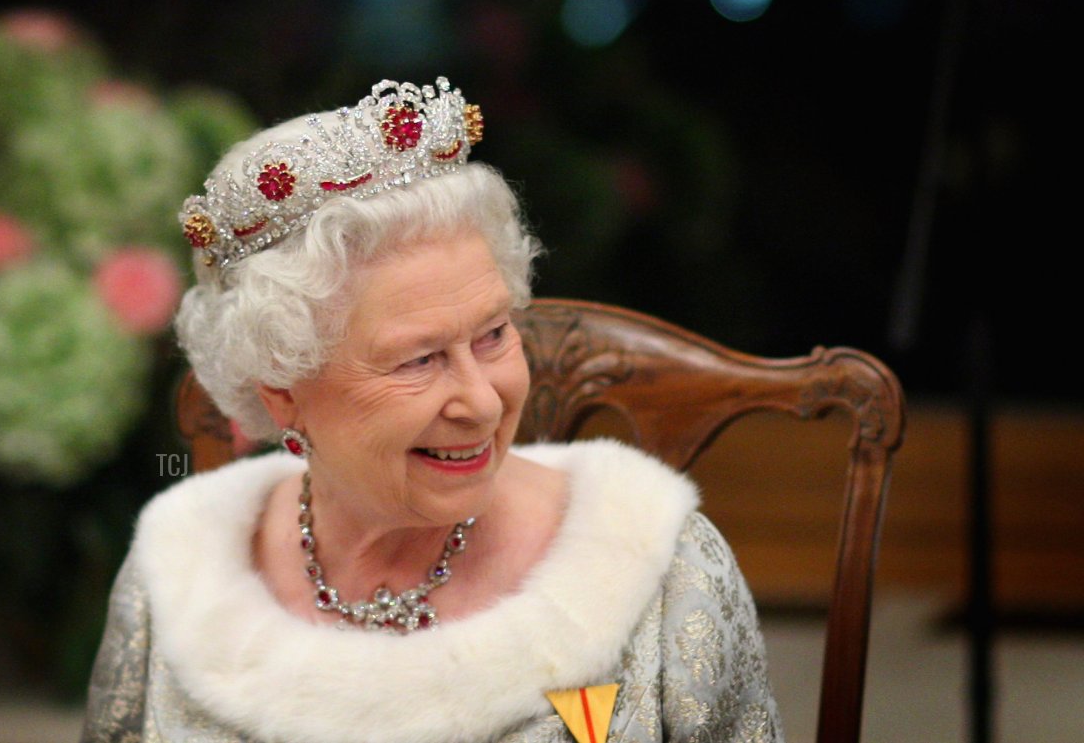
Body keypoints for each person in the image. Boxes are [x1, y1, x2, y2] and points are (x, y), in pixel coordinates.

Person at [80, 77, 782, 743]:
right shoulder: (176, 576)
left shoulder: (661, 572)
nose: (482, 401)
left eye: (494, 334)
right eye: (418, 360)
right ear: (282, 389)